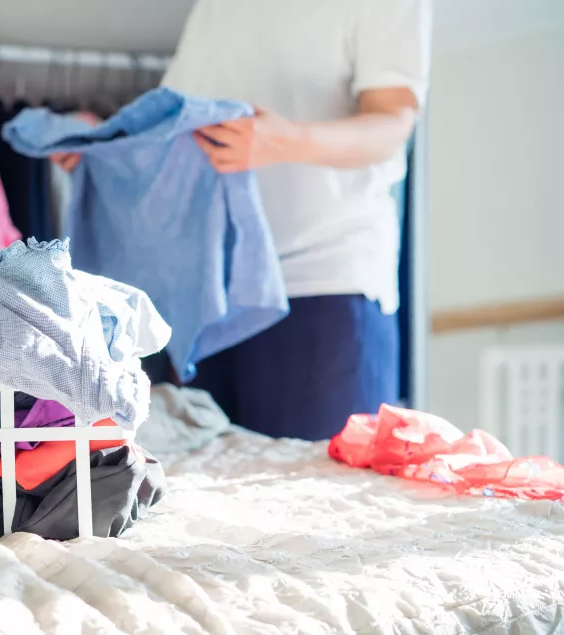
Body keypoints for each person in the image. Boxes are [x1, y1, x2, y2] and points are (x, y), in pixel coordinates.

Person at [55, 0, 432, 441]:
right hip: (211, 295)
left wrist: (288, 141)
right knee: (203, 494)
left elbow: (393, 123)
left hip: (322, 285)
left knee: (316, 497)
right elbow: (182, 132)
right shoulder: (213, 10)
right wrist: (107, 146)